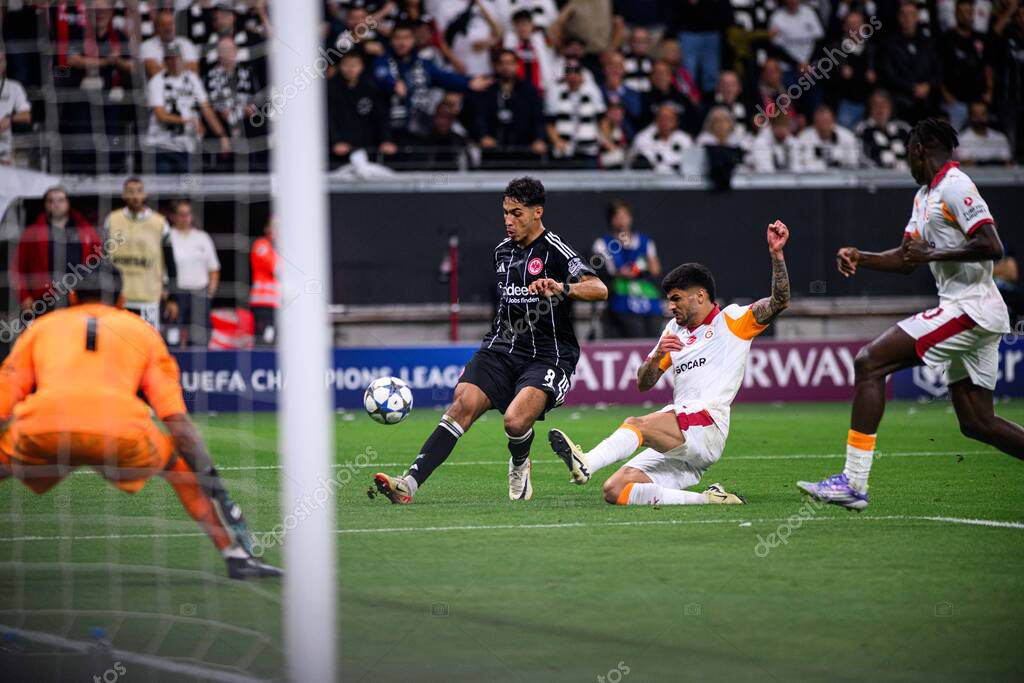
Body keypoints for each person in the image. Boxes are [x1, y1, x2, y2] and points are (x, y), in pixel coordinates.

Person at [0, 264, 281, 580]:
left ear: (73, 295)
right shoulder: (141, 331)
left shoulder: (41, 327)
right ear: (121, 299)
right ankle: (235, 555)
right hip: (121, 432)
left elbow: (3, 403)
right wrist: (209, 475)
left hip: (43, 427)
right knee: (178, 465)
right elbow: (176, 421)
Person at [798, 118, 1024, 510]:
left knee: (869, 362)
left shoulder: (956, 186)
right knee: (976, 423)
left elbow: (992, 245)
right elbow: (906, 259)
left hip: (971, 307)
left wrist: (933, 253)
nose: (906, 162)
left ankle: (853, 483)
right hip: (969, 310)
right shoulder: (925, 195)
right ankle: (851, 484)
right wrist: (861, 257)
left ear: (920, 149)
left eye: (907, 154)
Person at [370, 177, 608, 504]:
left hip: (549, 355)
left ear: (538, 212)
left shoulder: (556, 249)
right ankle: (408, 484)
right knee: (462, 402)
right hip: (501, 348)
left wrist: (563, 288)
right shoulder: (501, 253)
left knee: (515, 420)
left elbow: (599, 288)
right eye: (505, 213)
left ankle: (520, 463)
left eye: (517, 213)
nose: (509, 221)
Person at [547, 220, 792, 506]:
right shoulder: (673, 332)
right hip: (682, 437)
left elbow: (780, 301)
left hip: (706, 425)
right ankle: (710, 499)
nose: (670, 306)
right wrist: (655, 356)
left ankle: (586, 462)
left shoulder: (733, 321)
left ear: (700, 296)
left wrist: (777, 255)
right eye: (669, 300)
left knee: (636, 424)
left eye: (676, 299)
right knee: (615, 490)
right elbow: (643, 383)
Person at [104, 177, 178, 331]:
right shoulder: (112, 220)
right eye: (130, 191)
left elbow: (171, 263)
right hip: (118, 299)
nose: (135, 196)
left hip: (148, 299)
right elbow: (102, 258)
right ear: (123, 195)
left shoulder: (159, 223)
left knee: (148, 345)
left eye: (139, 191)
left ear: (145, 194)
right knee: (119, 344)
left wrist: (173, 298)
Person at [14, 187, 103, 316]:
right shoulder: (31, 233)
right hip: (44, 300)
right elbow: (18, 268)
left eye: (60, 200)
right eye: (51, 201)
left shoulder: (86, 230)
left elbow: (99, 263)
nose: (56, 205)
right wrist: (24, 297)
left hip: (79, 299)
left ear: (68, 203)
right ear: (45, 205)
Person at [145, 42, 231, 174]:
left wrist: (222, 134)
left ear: (182, 59)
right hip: (161, 145)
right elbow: (160, 115)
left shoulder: (193, 79)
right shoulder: (157, 81)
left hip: (187, 146)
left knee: (187, 191)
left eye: (177, 57)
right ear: (164, 61)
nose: (174, 61)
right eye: (170, 58)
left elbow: (206, 108)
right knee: (162, 190)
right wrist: (189, 121)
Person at [592, 199, 663, 338]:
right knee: (633, 329)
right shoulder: (603, 243)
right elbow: (606, 271)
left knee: (654, 329)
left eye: (625, 216)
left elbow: (655, 269)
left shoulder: (644, 241)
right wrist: (621, 273)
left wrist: (639, 269)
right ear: (611, 220)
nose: (622, 221)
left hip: (645, 294)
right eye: (618, 217)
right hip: (620, 293)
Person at [475, 48, 547, 162]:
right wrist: (483, 136)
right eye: (502, 63)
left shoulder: (529, 90)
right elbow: (480, 116)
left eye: (509, 63)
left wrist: (539, 139)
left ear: (517, 65)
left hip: (525, 152)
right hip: (494, 153)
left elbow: (538, 118)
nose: (506, 67)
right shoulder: (487, 90)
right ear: (496, 66)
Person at [328, 51, 396, 167]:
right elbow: (329, 118)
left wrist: (386, 140)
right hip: (338, 150)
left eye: (354, 65)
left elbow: (381, 117)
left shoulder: (371, 88)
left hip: (368, 147)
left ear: (361, 67)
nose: (350, 69)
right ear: (340, 66)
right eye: (346, 65)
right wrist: (336, 141)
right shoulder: (330, 89)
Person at [168, 200, 220, 347]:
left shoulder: (202, 237)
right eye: (181, 214)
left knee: (200, 341)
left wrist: (209, 294)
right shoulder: (167, 237)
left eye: (188, 214)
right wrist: (167, 297)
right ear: (173, 216)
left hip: (199, 293)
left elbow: (214, 268)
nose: (185, 217)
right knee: (172, 339)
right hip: (175, 294)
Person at [937, 0, 994, 131]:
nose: (965, 16)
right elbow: (937, 69)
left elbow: (987, 66)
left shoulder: (980, 39)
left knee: (978, 143)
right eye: (961, 12)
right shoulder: (946, 39)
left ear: (973, 14)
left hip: (978, 103)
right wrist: (946, 94)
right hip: (955, 102)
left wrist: (990, 91)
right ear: (955, 14)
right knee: (953, 141)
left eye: (968, 12)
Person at [544, 57, 606, 164]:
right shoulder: (555, 92)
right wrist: (557, 141)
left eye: (576, 72)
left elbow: (602, 118)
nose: (573, 76)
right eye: (569, 72)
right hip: (564, 150)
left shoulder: (592, 91)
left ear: (581, 74)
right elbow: (549, 122)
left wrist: (604, 140)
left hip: (588, 149)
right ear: (564, 75)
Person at [855, 89, 912, 169]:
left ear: (890, 107)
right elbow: (861, 157)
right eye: (876, 105)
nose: (880, 109)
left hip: (907, 177)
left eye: (884, 104)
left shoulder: (903, 128)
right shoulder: (863, 129)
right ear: (870, 108)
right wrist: (880, 172)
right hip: (878, 178)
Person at [794, 104, 861, 171]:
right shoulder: (804, 137)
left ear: (833, 120)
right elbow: (800, 164)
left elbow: (853, 163)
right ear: (814, 122)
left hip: (841, 177)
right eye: (820, 121)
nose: (824, 125)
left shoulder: (847, 137)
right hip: (812, 178)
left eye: (826, 121)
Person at [630, 103, 694, 173]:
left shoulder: (684, 139)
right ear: (656, 119)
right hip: (650, 181)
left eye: (670, 118)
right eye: (662, 118)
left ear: (676, 121)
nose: (666, 122)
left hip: (679, 182)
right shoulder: (643, 138)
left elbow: (690, 167)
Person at [140, 8, 200, 79]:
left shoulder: (186, 43)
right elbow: (153, 71)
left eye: (170, 24)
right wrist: (183, 66)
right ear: (156, 28)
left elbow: (194, 69)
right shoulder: (146, 46)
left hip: (187, 88)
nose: (168, 28)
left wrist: (164, 67)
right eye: (163, 25)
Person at [250, 215, 280, 346]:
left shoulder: (282, 248)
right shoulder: (261, 245)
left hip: (280, 305)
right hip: (263, 304)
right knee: (265, 341)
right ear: (267, 228)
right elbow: (276, 269)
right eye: (275, 226)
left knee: (277, 341)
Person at [0, 47, 32, 165]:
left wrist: (9, 119)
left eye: (0, 60)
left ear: (5, 63)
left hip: (5, 149)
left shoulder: (14, 87)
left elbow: (26, 115)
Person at [957, 100, 1014, 165]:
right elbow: (965, 163)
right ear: (970, 117)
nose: (979, 118)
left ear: (988, 115)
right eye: (975, 114)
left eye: (983, 114)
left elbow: (1007, 162)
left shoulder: (1000, 137)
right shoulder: (961, 139)